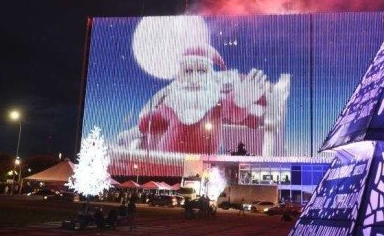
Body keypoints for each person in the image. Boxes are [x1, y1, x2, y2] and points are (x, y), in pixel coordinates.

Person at [115, 44, 290, 156]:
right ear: (180, 75)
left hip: (202, 164)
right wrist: (135, 129)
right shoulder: (172, 101)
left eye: (201, 71)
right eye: (188, 71)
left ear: (210, 75)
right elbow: (150, 122)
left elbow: (233, 110)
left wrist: (241, 102)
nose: (194, 78)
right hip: (168, 160)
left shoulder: (215, 101)